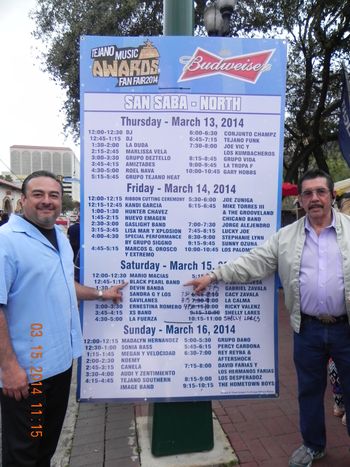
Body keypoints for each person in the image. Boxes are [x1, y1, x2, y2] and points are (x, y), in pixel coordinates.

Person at [185, 168, 350, 467]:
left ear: (331, 196)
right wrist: (214, 276)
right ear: (300, 200)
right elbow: (253, 262)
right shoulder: (285, 238)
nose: (314, 198)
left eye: (320, 192)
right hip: (308, 330)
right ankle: (313, 446)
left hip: (346, 329)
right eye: (308, 193)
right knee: (309, 391)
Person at [0, 170, 127, 467]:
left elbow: (62, 284)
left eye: (53, 195)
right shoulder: (6, 241)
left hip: (59, 365)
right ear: (23, 200)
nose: (47, 201)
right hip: (28, 373)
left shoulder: (59, 236)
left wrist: (100, 294)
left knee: (45, 446)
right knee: (23, 453)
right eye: (38, 194)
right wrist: (8, 367)